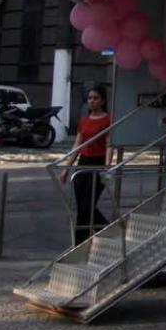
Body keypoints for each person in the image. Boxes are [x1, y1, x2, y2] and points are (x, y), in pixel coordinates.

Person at [63, 86, 111, 242]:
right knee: (83, 209)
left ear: (102, 101)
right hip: (83, 165)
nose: (92, 101)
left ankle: (107, 233)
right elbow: (77, 145)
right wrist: (66, 168)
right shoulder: (84, 120)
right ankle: (82, 242)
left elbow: (109, 145)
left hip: (98, 164)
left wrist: (107, 167)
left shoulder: (107, 120)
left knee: (87, 207)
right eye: (90, 98)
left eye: (95, 98)